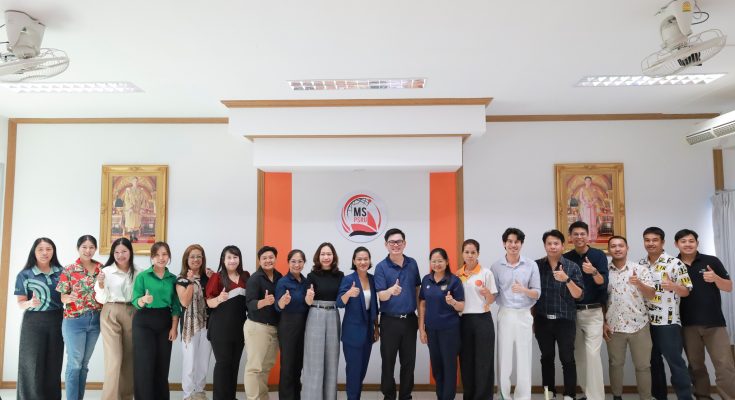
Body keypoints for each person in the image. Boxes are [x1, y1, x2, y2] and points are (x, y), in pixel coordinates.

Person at [675, 229, 735, 400]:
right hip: (687, 324)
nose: (687, 244)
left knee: (725, 365)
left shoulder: (711, 261)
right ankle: (702, 397)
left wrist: (716, 278)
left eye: (691, 241)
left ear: (697, 243)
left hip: (714, 323)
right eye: (683, 241)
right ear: (676, 244)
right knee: (696, 366)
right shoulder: (673, 264)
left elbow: (728, 287)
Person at [639, 227, 693, 400]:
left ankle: (685, 397)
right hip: (645, 323)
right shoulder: (640, 265)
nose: (651, 243)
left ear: (662, 242)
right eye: (647, 240)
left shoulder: (675, 263)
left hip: (667, 322)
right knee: (653, 363)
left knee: (675, 362)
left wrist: (673, 286)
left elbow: (686, 291)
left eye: (655, 240)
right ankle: (659, 397)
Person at [604, 235, 656, 400]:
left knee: (643, 366)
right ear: (608, 250)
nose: (617, 249)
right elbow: (601, 300)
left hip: (640, 326)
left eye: (621, 245)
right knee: (615, 364)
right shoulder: (604, 272)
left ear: (627, 248)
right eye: (613, 246)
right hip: (614, 326)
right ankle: (617, 397)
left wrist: (639, 283)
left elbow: (652, 295)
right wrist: (604, 322)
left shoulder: (640, 269)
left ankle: (646, 398)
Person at [491, 228, 540, 400]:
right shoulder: (496, 267)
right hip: (505, 314)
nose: (513, 245)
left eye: (516, 242)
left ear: (521, 244)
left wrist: (523, 290)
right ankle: (504, 396)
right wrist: (485, 294)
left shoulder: (531, 265)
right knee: (504, 358)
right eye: (510, 241)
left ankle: (523, 397)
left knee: (524, 358)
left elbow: (537, 293)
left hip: (524, 314)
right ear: (504, 243)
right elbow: (494, 293)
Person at [534, 229, 584, 400]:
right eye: (549, 243)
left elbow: (579, 295)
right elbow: (532, 295)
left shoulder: (572, 267)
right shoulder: (536, 266)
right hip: (542, 320)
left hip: (565, 321)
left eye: (556, 243)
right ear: (545, 246)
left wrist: (566, 279)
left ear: (563, 246)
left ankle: (569, 394)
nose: (552, 246)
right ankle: (549, 394)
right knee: (546, 358)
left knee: (567, 358)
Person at [14, 237, 64, 400]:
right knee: (32, 363)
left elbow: (68, 295)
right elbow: (20, 303)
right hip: (33, 322)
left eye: (48, 249)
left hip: (57, 320)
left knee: (54, 362)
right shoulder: (24, 274)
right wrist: (30, 303)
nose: (44, 253)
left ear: (53, 251)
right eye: (40, 249)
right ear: (34, 252)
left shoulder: (62, 272)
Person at [374, 228, 421, 400]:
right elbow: (381, 295)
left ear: (404, 243)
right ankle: (389, 396)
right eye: (392, 242)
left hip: (409, 320)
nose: (396, 245)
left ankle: (406, 396)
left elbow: (417, 290)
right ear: (386, 245)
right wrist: (390, 291)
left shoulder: (412, 263)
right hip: (389, 321)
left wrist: (421, 319)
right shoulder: (381, 267)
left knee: (408, 362)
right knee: (388, 362)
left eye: (399, 241)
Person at [563, 221, 608, 400]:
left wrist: (593, 271)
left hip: (593, 312)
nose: (579, 237)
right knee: (580, 357)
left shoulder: (598, 255)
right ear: (570, 237)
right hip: (573, 313)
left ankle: (597, 397)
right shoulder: (566, 258)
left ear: (588, 235)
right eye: (575, 234)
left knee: (593, 355)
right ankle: (587, 394)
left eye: (582, 233)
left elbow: (603, 283)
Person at [131, 241, 181, 400]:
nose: (161, 258)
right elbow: (135, 301)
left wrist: (174, 327)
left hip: (165, 321)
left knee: (162, 365)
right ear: (152, 257)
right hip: (143, 322)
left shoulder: (173, 279)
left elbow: (176, 305)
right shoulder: (143, 276)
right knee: (144, 365)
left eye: (164, 254)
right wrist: (143, 300)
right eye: (157, 255)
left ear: (169, 256)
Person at [56, 234, 103, 400]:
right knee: (75, 363)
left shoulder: (102, 269)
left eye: (91, 247)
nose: (88, 250)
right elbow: (62, 297)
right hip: (74, 321)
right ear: (78, 248)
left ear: (95, 249)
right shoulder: (69, 269)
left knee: (84, 364)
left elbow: (106, 293)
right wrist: (68, 298)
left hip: (95, 321)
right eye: (84, 247)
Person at [418, 248, 465, 400]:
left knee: (449, 367)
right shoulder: (426, 280)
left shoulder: (454, 281)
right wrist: (421, 329)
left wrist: (453, 302)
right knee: (437, 367)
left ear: (447, 262)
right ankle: (441, 396)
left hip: (450, 331)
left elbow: (461, 307)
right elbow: (422, 304)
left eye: (440, 261)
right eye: (434, 261)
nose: (436, 264)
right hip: (432, 331)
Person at [95, 237, 138, 400]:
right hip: (111, 311)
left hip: (133, 311)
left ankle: (126, 397)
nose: (120, 255)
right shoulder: (106, 272)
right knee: (114, 359)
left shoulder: (139, 272)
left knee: (129, 358)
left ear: (130, 252)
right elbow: (101, 299)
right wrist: (100, 284)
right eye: (117, 252)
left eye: (124, 251)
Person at [206, 245, 250, 400]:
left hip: (239, 328)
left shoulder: (246, 276)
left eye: (235, 257)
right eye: (229, 257)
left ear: (239, 259)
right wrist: (219, 298)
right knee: (223, 364)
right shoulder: (216, 277)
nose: (232, 260)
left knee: (234, 364)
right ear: (223, 260)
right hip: (220, 328)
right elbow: (209, 303)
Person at [456, 239, 497, 400]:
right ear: (462, 254)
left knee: (484, 361)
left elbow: (491, 300)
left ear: (478, 253)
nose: (470, 255)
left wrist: (487, 293)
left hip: (482, 320)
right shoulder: (457, 275)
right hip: (464, 321)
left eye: (473, 252)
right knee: (466, 361)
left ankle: (483, 397)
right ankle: (469, 396)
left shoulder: (486, 273)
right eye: (467, 252)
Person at [303, 242, 344, 400]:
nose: (326, 257)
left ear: (333, 256)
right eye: (323, 254)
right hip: (316, 313)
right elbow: (307, 302)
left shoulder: (340, 275)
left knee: (331, 361)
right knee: (314, 361)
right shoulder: (311, 276)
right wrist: (309, 297)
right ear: (318, 257)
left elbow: (341, 298)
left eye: (329, 254)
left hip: (333, 314)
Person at [336, 247, 379, 400]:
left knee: (361, 371)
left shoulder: (372, 279)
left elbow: (374, 306)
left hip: (368, 333)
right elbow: (339, 303)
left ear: (369, 260)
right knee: (353, 371)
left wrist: (376, 328)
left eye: (365, 259)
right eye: (359, 259)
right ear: (354, 261)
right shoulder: (348, 279)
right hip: (352, 334)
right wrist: (348, 293)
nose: (362, 262)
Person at [244, 245, 282, 400]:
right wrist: (264, 302)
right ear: (259, 260)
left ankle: (263, 397)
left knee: (266, 368)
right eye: (264, 258)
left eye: (271, 257)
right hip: (257, 327)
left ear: (275, 258)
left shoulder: (279, 277)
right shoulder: (255, 278)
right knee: (254, 368)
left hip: (274, 328)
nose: (268, 260)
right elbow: (249, 303)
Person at [176, 244, 213, 400]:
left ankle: (199, 392)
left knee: (203, 362)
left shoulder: (208, 278)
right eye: (192, 256)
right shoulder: (181, 279)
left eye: (199, 256)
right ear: (186, 259)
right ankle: (188, 395)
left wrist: (214, 278)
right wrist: (191, 282)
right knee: (190, 363)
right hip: (189, 327)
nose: (196, 259)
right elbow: (184, 302)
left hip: (208, 324)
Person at [275, 249, 310, 400]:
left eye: (300, 261)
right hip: (288, 326)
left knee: (298, 366)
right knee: (288, 367)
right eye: (293, 261)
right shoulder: (283, 282)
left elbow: (308, 304)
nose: (297, 264)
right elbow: (278, 306)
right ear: (288, 262)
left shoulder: (306, 282)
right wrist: (282, 302)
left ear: (304, 263)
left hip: (304, 326)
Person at [575, 176, 604, 242]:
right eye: (587, 180)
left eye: (589, 180)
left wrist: (592, 203)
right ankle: (586, 236)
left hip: (592, 207)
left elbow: (596, 198)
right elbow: (581, 198)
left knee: (593, 221)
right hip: (585, 207)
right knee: (586, 221)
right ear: (585, 181)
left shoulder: (594, 189)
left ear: (591, 181)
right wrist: (586, 203)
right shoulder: (582, 189)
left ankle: (593, 237)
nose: (588, 182)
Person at [123, 177, 146, 242]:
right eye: (134, 181)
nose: (135, 182)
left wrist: (142, 208)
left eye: (136, 181)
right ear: (132, 182)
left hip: (137, 210)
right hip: (130, 210)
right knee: (130, 224)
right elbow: (126, 199)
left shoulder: (141, 191)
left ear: (138, 182)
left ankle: (135, 237)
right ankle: (131, 237)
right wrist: (130, 207)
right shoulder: (128, 190)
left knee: (136, 224)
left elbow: (143, 200)